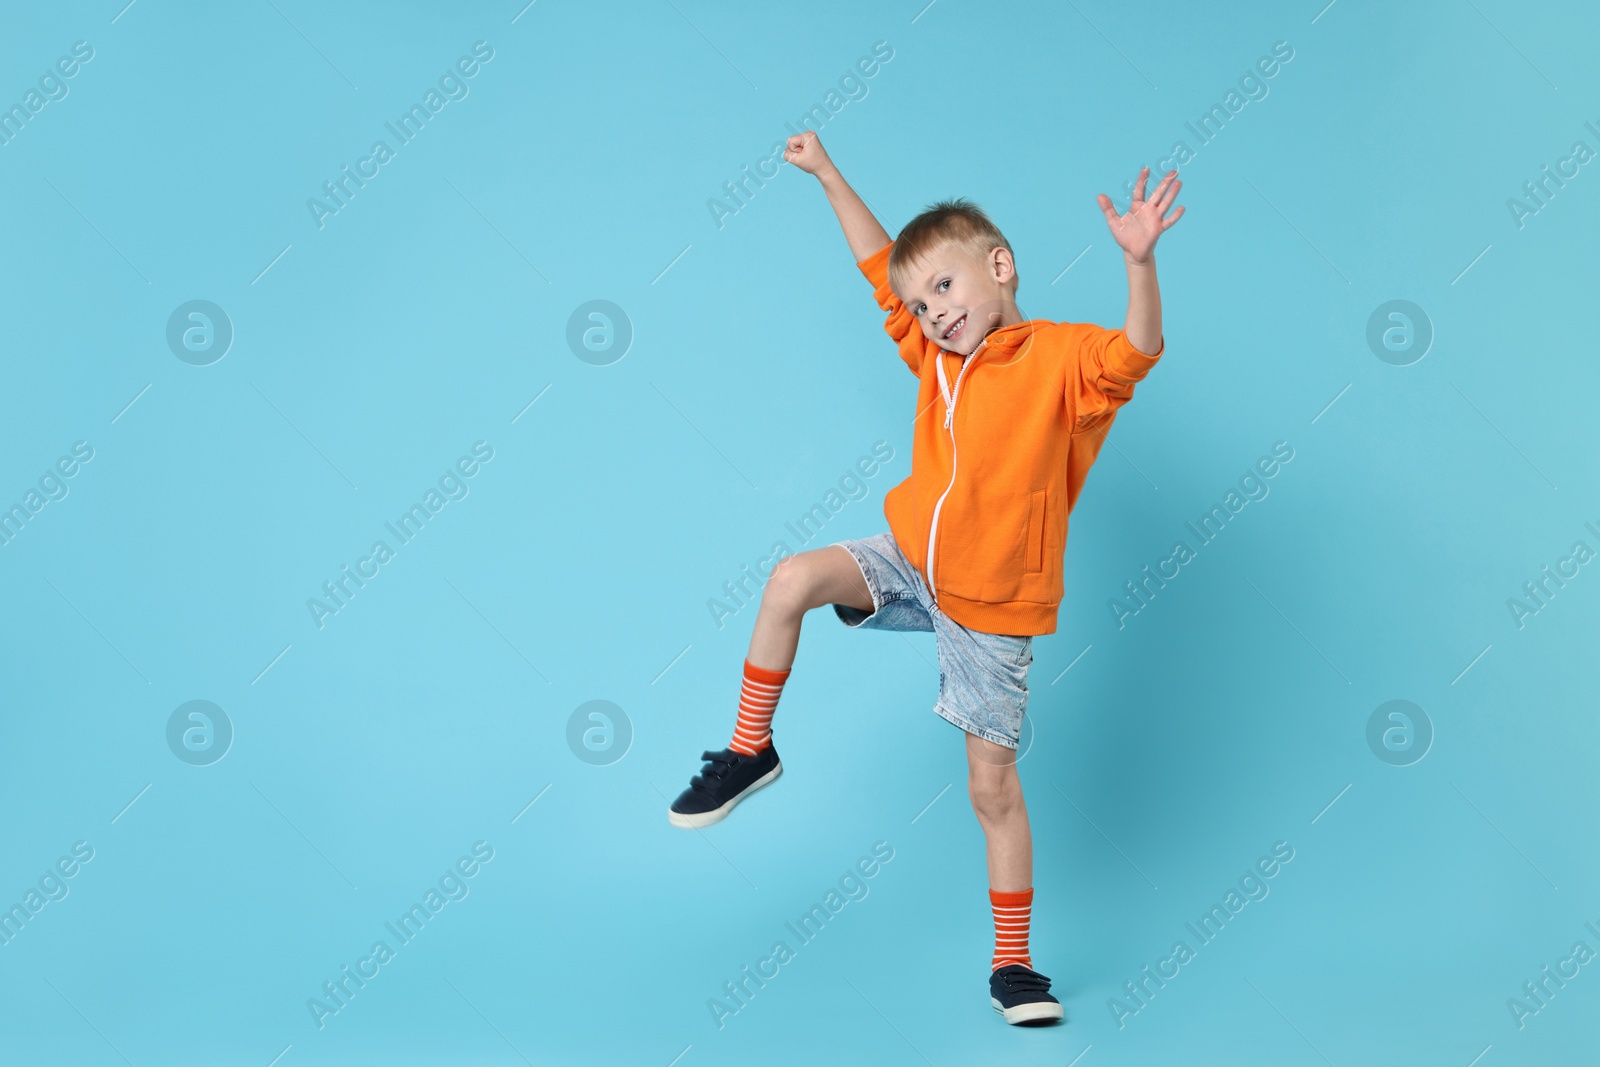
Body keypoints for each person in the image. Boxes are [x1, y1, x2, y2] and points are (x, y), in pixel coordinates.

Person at [668, 130, 1183, 1026]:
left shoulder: (1061, 360)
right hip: (914, 562)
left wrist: (1139, 265)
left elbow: (1138, 353)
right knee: (791, 578)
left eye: (944, 287)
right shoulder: (934, 358)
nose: (933, 311)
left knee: (991, 788)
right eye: (920, 301)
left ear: (1001, 266)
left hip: (993, 606)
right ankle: (752, 751)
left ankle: (1015, 966)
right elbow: (878, 261)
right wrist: (828, 173)